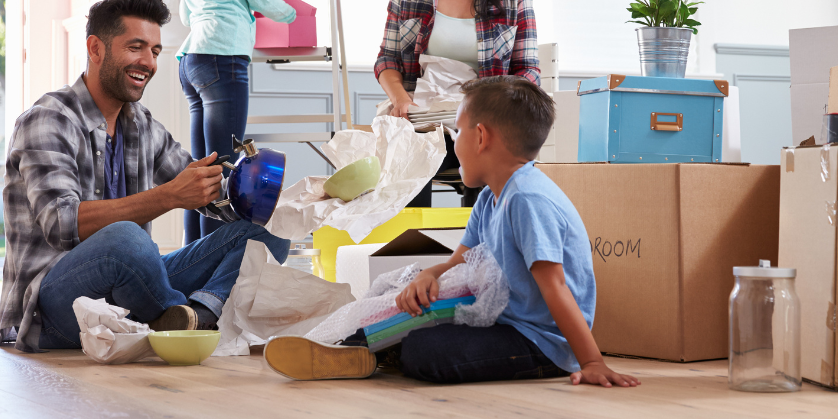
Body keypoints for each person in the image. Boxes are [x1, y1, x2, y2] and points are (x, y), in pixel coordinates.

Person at [263, 77, 640, 388]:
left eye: (456, 131)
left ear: (480, 137)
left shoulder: (527, 199)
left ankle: (362, 351)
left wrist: (590, 361)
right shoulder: (491, 198)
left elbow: (555, 286)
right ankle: (353, 347)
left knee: (425, 351)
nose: (452, 142)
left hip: (541, 343)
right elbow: (458, 262)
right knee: (408, 308)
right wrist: (429, 276)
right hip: (505, 321)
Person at [0, 0, 289, 353]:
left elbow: (201, 188)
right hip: (52, 310)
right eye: (136, 47)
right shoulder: (49, 119)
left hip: (127, 295)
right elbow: (61, 223)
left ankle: (193, 316)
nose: (148, 62)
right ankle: (172, 314)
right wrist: (169, 196)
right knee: (126, 239)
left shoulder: (141, 124)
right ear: (95, 48)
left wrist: (257, 193)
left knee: (270, 230)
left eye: (155, 51)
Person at [374, 0, 540, 207]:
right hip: (419, 120)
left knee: (487, 149)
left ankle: (479, 248)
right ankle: (408, 247)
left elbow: (527, 71)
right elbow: (387, 59)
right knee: (405, 150)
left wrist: (490, 104)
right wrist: (401, 100)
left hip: (481, 124)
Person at [170, 0, 296, 244]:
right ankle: (211, 272)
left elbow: (186, 12)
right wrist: (291, 13)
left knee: (202, 174)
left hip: (194, 59)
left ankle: (188, 265)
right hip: (222, 59)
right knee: (224, 173)